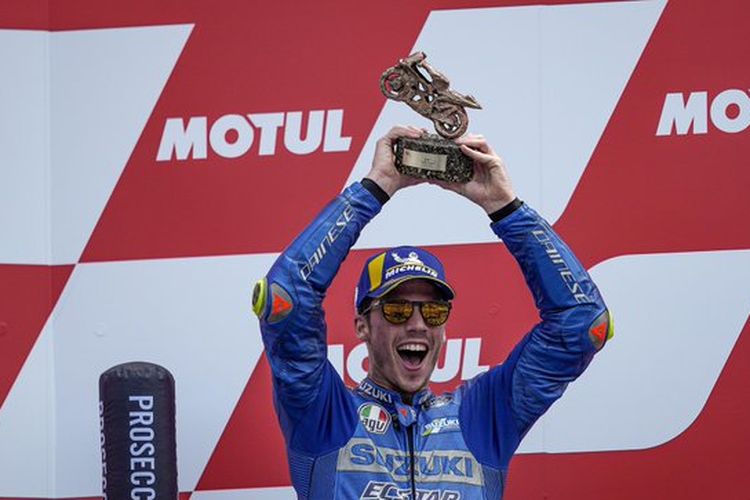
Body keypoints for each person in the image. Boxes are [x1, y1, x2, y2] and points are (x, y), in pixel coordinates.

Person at [252, 125, 612, 499]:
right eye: (396, 310)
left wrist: (505, 208)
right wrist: (375, 188)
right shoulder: (324, 414)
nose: (417, 324)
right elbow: (284, 299)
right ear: (362, 326)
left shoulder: (481, 416)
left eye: (434, 312)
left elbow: (584, 325)